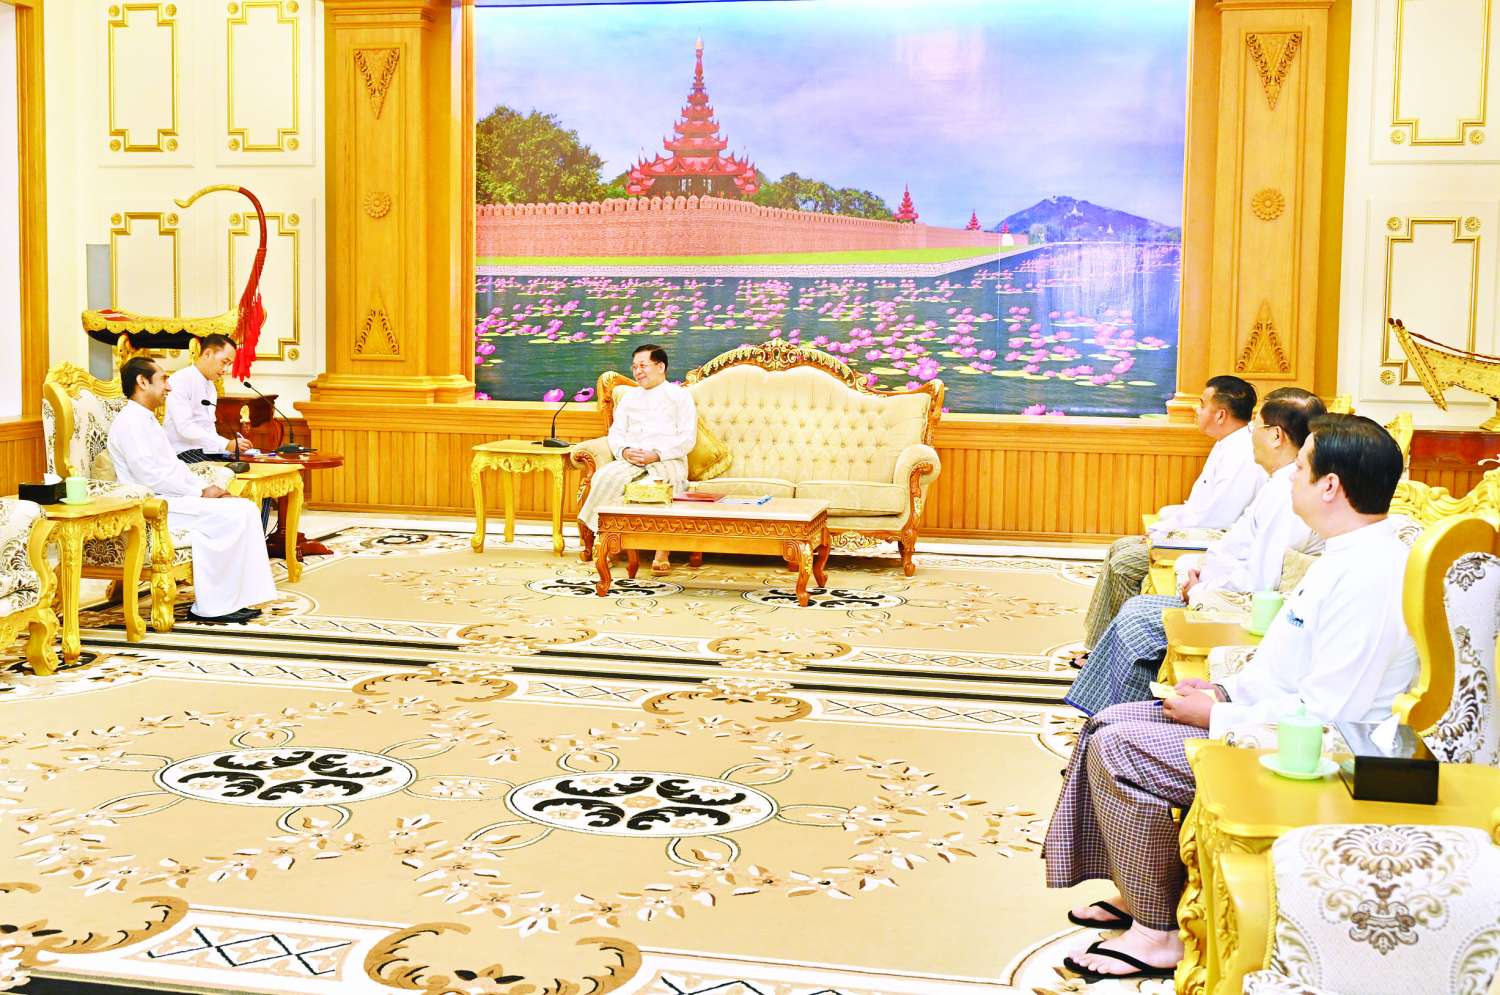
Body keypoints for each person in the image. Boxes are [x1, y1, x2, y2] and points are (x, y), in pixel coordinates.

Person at [1043, 414, 1416, 983]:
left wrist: (1219, 715)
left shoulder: (1370, 575)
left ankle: (1158, 932)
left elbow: (1330, 717)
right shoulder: (1346, 554)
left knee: (1120, 749)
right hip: (1273, 720)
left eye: (1300, 467)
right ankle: (1140, 888)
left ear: (1330, 486)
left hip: (1332, 761)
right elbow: (1285, 666)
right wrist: (1221, 690)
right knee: (1109, 722)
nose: (1290, 477)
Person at [1065, 388, 1326, 714]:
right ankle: (1112, 718)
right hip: (1219, 582)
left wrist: (1202, 587)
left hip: (1241, 604)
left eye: (1255, 427)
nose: (1249, 435)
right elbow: (1237, 544)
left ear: (1276, 436)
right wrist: (1202, 570)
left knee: (1137, 619)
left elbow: (1261, 579)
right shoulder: (1278, 482)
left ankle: (1122, 716)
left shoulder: (1288, 492)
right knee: (1136, 608)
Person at [1075, 376, 1264, 662]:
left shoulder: (1241, 454)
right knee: (1119, 547)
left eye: (1202, 404)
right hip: (1196, 532)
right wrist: (1162, 527)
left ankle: (1113, 655)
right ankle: (1098, 647)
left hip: (1208, 541)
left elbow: (1215, 518)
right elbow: (1199, 506)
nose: (1196, 410)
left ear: (1221, 414)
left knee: (1123, 564)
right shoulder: (1227, 444)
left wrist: (1163, 535)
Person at [107, 357, 277, 624]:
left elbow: (174, 467)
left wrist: (206, 488)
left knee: (244, 508)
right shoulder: (130, 422)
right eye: (163, 379)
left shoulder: (146, 419)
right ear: (142, 382)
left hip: (173, 498)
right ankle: (213, 607)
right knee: (235, 514)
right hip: (154, 506)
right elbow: (150, 476)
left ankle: (231, 601)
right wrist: (200, 493)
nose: (169, 387)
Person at [577, 344, 697, 574]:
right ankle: (607, 544)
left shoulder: (680, 396)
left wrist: (657, 454)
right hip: (631, 458)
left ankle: (663, 550)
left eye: (643, 365)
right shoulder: (630, 397)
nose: (638, 371)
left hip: (667, 458)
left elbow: (687, 438)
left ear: (660, 367)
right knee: (605, 478)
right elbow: (616, 433)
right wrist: (624, 451)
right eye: (634, 367)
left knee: (661, 486)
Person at [163, 334, 249, 462]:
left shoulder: (210, 386)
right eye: (224, 362)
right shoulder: (180, 380)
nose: (226, 369)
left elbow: (208, 426)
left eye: (229, 364)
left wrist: (226, 448)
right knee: (224, 471)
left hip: (206, 451)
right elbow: (185, 426)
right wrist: (225, 444)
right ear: (207, 354)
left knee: (244, 464)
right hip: (182, 452)